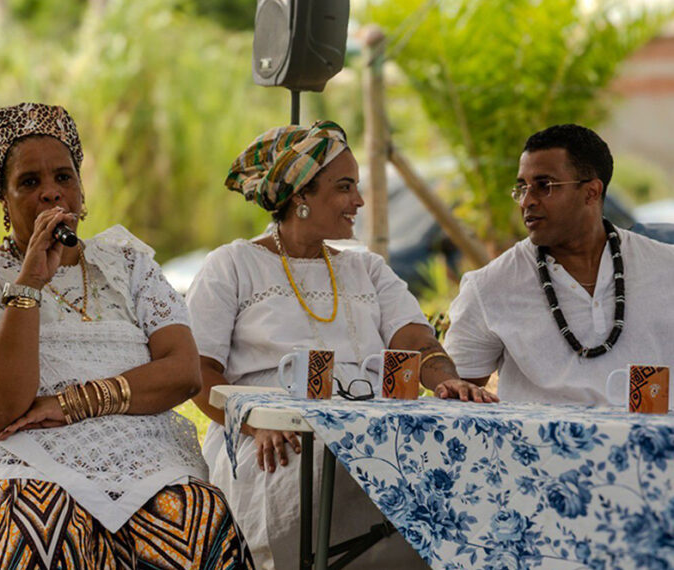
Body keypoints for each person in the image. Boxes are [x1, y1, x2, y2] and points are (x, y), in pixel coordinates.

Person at [0, 102, 253, 569]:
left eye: (64, 177)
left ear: (81, 187)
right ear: (4, 200)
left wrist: (72, 403)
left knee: (199, 516)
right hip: (15, 460)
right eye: (29, 183)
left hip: (140, 458)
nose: (52, 195)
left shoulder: (130, 266)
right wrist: (30, 283)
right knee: (38, 524)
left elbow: (182, 373)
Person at [185, 120, 496, 569]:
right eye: (345, 187)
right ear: (301, 196)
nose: (360, 201)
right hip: (278, 441)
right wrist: (254, 421)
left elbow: (414, 340)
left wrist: (448, 381)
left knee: (447, 475)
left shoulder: (366, 268)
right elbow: (199, 374)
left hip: (370, 433)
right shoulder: (233, 265)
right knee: (322, 475)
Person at [444, 123, 674, 405]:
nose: (527, 201)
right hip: (534, 448)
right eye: (522, 188)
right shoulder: (489, 286)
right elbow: (456, 400)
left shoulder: (666, 267)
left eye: (544, 186)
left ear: (591, 192)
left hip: (654, 447)